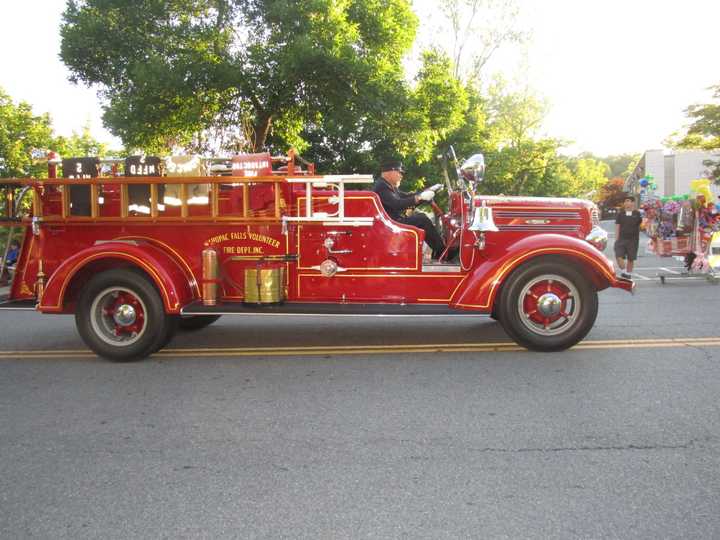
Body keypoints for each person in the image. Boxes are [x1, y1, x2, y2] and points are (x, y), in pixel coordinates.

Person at [372, 160, 450, 260]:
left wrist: (426, 191)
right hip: (391, 224)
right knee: (422, 219)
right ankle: (442, 252)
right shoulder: (382, 186)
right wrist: (418, 198)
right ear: (390, 171)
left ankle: (439, 251)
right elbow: (397, 204)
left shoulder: (388, 186)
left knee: (421, 217)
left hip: (391, 223)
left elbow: (406, 196)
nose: (401, 175)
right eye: (399, 172)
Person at [614, 196, 642, 279]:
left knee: (631, 258)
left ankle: (628, 274)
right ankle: (624, 272)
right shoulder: (620, 214)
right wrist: (616, 239)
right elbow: (617, 226)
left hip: (633, 240)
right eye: (625, 201)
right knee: (618, 256)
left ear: (633, 203)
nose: (626, 203)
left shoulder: (637, 214)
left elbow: (642, 225)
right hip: (621, 239)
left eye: (628, 201)